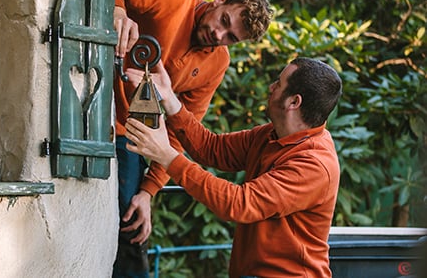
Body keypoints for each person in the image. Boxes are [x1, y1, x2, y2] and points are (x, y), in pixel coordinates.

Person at [95, 0, 273, 278]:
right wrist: (117, 10)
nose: (219, 35)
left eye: (231, 37)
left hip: (131, 137)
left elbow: (181, 131)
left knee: (132, 224)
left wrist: (149, 191)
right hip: (92, 104)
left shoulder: (218, 62)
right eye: (223, 20)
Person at [124, 57, 343, 278]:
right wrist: (169, 99)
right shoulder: (272, 135)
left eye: (278, 83)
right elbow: (211, 148)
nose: (271, 87)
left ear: (294, 102)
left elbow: (239, 204)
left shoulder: (314, 164)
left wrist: (167, 156)